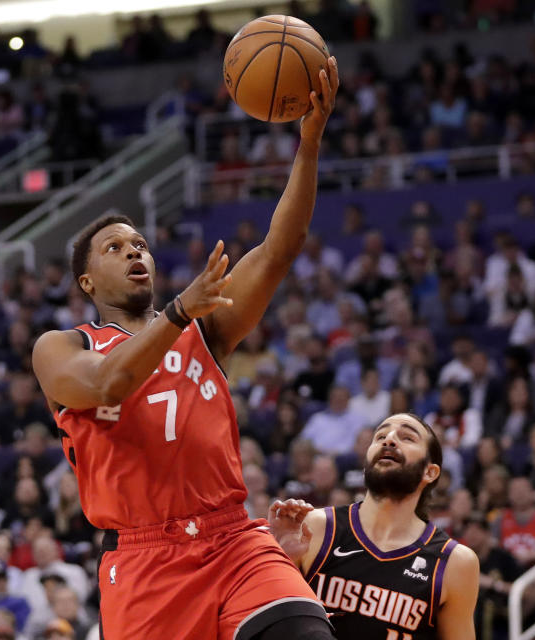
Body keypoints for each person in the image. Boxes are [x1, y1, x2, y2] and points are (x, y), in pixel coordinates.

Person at [31, 57, 340, 640]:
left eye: (140, 243)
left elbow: (279, 249)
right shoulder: (62, 346)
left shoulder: (204, 329)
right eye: (115, 247)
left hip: (233, 538)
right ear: (87, 283)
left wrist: (309, 144)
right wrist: (176, 313)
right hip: (146, 561)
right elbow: (105, 385)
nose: (134, 252)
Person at [268, 413, 479, 639]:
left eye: (407, 437)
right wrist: (280, 559)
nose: (388, 439)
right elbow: (261, 619)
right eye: (380, 436)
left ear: (430, 472)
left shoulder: (454, 562)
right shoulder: (313, 526)